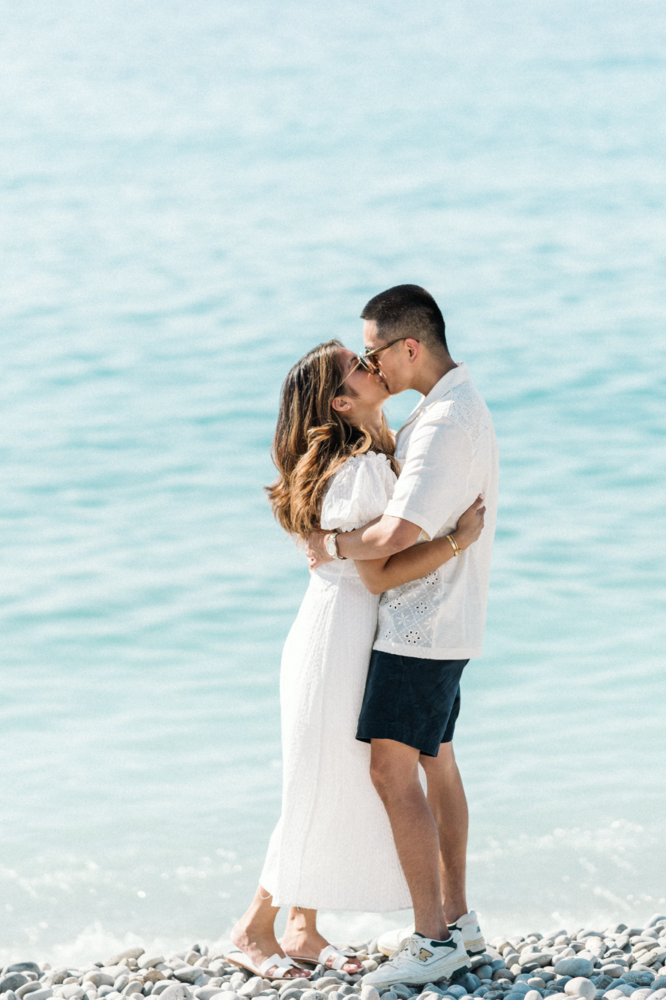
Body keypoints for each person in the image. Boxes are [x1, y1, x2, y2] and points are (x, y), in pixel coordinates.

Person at [228, 338, 487, 982]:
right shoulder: (363, 467)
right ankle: (251, 929)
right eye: (355, 365)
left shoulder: (377, 451)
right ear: (341, 402)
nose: (371, 365)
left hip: (343, 635)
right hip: (337, 640)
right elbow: (378, 575)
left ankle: (301, 927)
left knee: (327, 779)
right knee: (315, 784)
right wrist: (457, 541)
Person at [304, 285, 500, 989]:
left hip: (422, 626)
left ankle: (433, 937)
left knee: (393, 770)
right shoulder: (449, 411)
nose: (369, 364)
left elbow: (390, 544)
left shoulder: (445, 422)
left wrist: (327, 542)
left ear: (408, 348)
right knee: (436, 762)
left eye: (372, 352)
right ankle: (459, 922)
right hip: (449, 621)